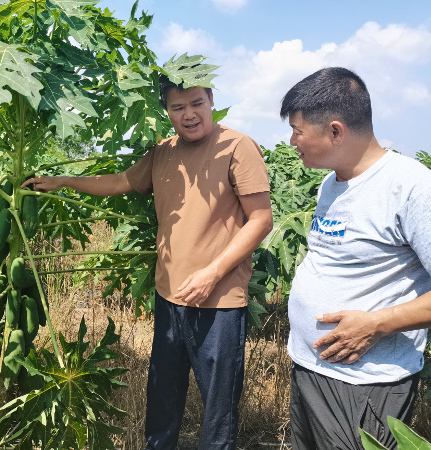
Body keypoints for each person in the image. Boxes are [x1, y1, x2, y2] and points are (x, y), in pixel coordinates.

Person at [22, 74, 273, 449]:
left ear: (211, 100)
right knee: (162, 398)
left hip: (218, 301)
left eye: (197, 104)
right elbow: (122, 181)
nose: (189, 114)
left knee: (219, 410)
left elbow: (261, 219)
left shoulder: (237, 147)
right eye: (178, 107)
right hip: (169, 295)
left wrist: (213, 273)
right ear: (167, 112)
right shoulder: (163, 151)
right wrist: (63, 181)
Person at [281, 67, 431, 450]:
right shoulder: (332, 182)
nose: (292, 141)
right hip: (311, 369)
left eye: (298, 130)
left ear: (335, 130)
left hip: (366, 384)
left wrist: (378, 324)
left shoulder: (411, 188)